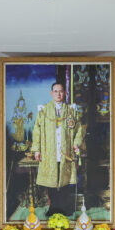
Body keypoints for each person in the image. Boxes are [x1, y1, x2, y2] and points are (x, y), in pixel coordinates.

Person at [32, 81, 84, 215]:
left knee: (65, 181)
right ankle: (53, 208)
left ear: (65, 93)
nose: (58, 94)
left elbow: (79, 130)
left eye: (61, 91)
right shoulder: (43, 111)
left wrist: (76, 144)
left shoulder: (71, 111)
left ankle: (64, 208)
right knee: (52, 182)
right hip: (49, 152)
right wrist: (37, 149)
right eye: (56, 91)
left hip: (66, 152)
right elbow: (37, 131)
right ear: (51, 93)